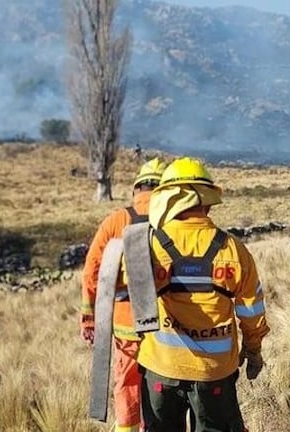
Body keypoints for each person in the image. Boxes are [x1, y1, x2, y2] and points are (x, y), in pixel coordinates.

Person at [134, 157, 270, 432]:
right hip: (215, 373)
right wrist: (253, 350)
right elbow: (252, 311)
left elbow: (127, 301)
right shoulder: (233, 250)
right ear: (207, 201)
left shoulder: (145, 245)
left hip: (161, 369)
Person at [80, 157, 167, 432]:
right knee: (164, 380)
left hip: (125, 322)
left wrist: (89, 319)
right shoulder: (173, 220)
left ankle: (128, 427)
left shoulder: (117, 220)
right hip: (168, 321)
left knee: (127, 380)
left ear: (136, 189)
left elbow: (92, 271)